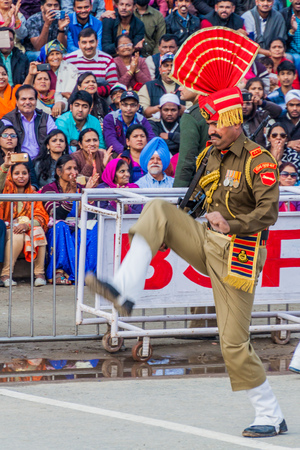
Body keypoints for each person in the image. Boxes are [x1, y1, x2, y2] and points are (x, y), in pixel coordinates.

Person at [85, 30, 287, 435]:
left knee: (233, 343)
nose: (210, 129)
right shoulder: (211, 154)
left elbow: (269, 213)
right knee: (158, 209)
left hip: (241, 252)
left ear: (233, 124)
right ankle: (125, 287)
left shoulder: (259, 160)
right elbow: (191, 201)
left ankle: (270, 414)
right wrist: (164, 231)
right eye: (209, 122)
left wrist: (233, 224)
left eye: (215, 123)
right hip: (207, 240)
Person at [41, 154, 99, 283]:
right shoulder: (49, 190)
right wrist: (73, 195)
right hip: (59, 231)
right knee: (61, 226)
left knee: (94, 226)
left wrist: (87, 193)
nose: (74, 172)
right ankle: (60, 272)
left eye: (75, 168)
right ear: (59, 171)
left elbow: (87, 215)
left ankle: (89, 273)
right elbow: (57, 215)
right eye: (69, 169)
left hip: (77, 228)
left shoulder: (80, 188)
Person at [0, 161, 48, 287]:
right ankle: (6, 274)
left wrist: (27, 225)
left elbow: (41, 216)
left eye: (24, 173)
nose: (21, 176)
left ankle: (39, 274)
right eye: (16, 173)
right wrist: (5, 166)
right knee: (17, 235)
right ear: (11, 175)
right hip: (8, 229)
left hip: (28, 227)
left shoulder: (34, 195)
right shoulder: (5, 192)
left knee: (38, 230)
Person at [1, 85, 57, 160]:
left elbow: (55, 138)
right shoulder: (8, 119)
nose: (27, 102)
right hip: (18, 161)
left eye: (31, 99)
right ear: (17, 102)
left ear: (36, 101)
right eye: (23, 99)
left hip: (43, 160)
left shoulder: (45, 118)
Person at [174, 85, 209, 187]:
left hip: (200, 184)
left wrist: (178, 190)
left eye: (185, 84)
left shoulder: (191, 116)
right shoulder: (220, 109)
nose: (179, 88)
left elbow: (186, 160)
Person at [103, 90, 155, 155]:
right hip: (118, 152)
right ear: (120, 105)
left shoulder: (142, 120)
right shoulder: (111, 118)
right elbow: (111, 140)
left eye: (132, 105)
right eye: (125, 105)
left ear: (138, 107)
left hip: (138, 152)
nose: (128, 108)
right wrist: (128, 153)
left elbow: (151, 138)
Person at [138, 53, 184, 119]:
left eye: (173, 66)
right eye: (166, 65)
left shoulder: (185, 86)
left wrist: (174, 103)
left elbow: (190, 111)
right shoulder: (149, 86)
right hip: (155, 125)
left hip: (180, 126)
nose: (170, 69)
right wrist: (165, 103)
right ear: (160, 70)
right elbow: (143, 111)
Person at [36, 39, 79, 110]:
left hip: (66, 104)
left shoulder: (71, 69)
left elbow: (70, 93)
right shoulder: (40, 70)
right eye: (51, 54)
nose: (55, 57)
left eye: (58, 53)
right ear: (46, 58)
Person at [0, 124, 39, 190]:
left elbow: (34, 183)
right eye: (5, 135)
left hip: (22, 196)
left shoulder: (23, 156)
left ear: (18, 139)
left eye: (13, 136)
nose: (9, 138)